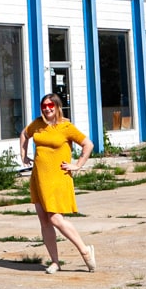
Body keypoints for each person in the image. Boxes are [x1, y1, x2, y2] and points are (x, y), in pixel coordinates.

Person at [19, 92, 96, 273]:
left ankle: (85, 251)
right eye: (44, 106)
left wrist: (77, 165)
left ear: (57, 107)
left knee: (55, 218)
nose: (47, 109)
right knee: (44, 221)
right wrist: (23, 155)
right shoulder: (37, 124)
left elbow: (88, 144)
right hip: (39, 177)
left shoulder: (65, 126)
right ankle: (55, 262)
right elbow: (24, 134)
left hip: (57, 178)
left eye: (50, 106)